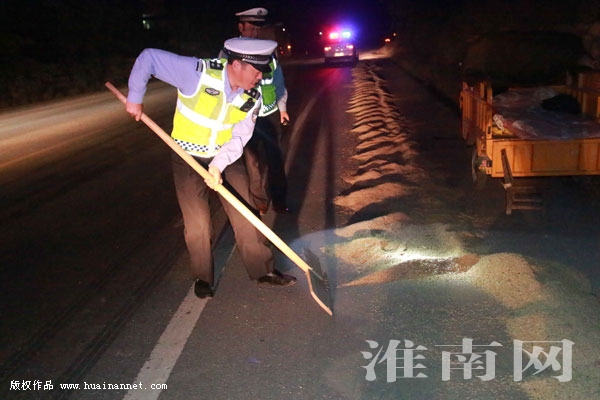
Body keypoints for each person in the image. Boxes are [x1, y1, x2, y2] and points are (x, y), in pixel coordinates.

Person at [125, 38, 296, 298]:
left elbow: (240, 137)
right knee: (197, 223)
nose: (260, 77)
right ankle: (202, 278)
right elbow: (149, 56)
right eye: (256, 71)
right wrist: (135, 98)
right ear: (236, 65)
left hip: (225, 157)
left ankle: (263, 269)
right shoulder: (197, 73)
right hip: (187, 156)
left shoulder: (253, 97)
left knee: (246, 211)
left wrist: (218, 164)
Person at [232, 7, 290, 214]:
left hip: (269, 116)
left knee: (275, 159)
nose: (254, 33)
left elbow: (278, 81)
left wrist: (282, 108)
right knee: (252, 162)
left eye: (257, 29)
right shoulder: (229, 52)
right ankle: (259, 201)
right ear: (240, 27)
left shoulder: (268, 53)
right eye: (250, 28)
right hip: (244, 117)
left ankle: (280, 201)